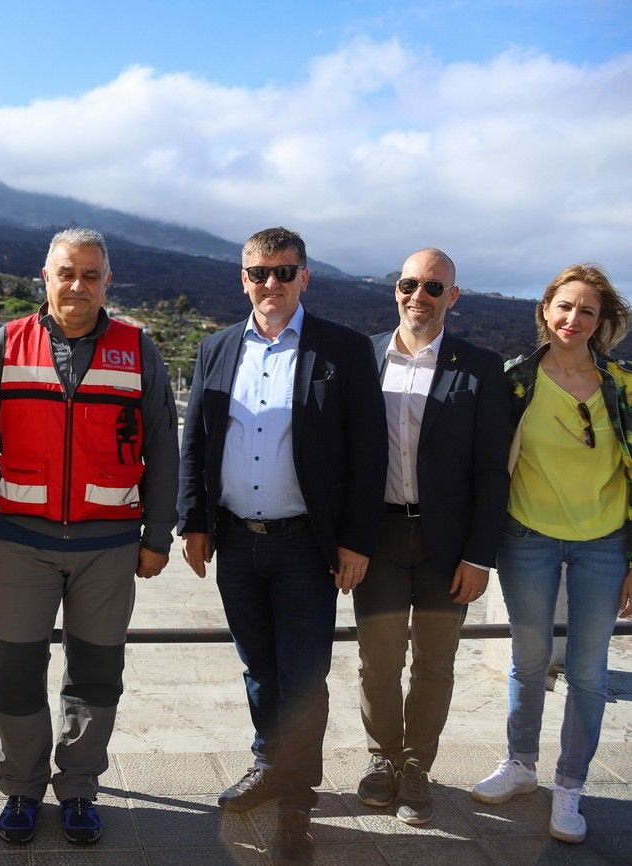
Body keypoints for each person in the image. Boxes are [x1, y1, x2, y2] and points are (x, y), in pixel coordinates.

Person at [0, 227, 179, 846]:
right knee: (16, 671)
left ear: (107, 282)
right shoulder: (4, 344)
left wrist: (156, 535)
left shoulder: (138, 349)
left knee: (96, 672)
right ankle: (23, 789)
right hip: (23, 543)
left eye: (91, 275)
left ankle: (80, 786)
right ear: (46, 276)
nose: (78, 286)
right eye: (67, 273)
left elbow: (164, 441)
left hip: (107, 547)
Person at [176, 227, 386, 864]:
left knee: (303, 677)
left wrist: (354, 540)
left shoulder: (343, 351)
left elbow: (367, 453)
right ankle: (269, 764)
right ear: (243, 279)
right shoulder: (216, 348)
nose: (271, 284)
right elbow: (196, 443)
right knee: (258, 669)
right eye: (258, 273)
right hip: (237, 541)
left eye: (284, 271)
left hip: (305, 547)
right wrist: (194, 522)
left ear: (305, 277)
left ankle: (297, 801)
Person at [471, 264, 632, 844]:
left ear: (601, 321)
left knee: (588, 672)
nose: (573, 319)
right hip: (527, 537)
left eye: (587, 311)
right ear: (545, 311)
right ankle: (520, 765)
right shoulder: (516, 379)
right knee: (528, 659)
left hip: (605, 543)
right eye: (564, 307)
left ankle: (569, 787)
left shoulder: (623, 385)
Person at [354, 249, 511, 824]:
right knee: (378, 658)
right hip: (379, 536)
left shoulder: (481, 367)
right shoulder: (363, 356)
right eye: (408, 284)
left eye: (433, 287)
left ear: (453, 296)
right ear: (395, 289)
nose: (418, 296)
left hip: (448, 545)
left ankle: (417, 766)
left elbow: (494, 469)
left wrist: (479, 555)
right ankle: (381, 758)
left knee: (435, 661)